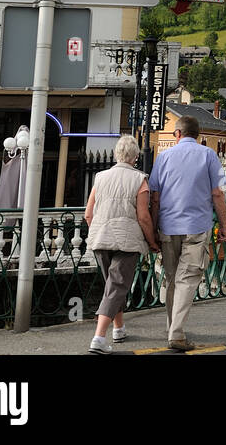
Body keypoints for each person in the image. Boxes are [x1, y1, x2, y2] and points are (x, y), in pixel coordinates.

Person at [149, 116, 226, 352]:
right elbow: (217, 194)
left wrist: (153, 229)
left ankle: (173, 326)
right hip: (196, 226)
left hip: (167, 226)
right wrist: (223, 225)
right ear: (199, 135)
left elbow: (155, 197)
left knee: (173, 278)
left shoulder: (163, 157)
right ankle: (176, 332)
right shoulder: (208, 155)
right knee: (188, 279)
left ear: (177, 134)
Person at [84, 134, 158, 355]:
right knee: (116, 287)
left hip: (100, 238)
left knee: (112, 286)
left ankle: (118, 328)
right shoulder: (139, 180)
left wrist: (98, 232)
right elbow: (144, 217)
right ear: (135, 157)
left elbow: (89, 214)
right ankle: (98, 337)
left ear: (117, 154)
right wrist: (152, 242)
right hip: (126, 241)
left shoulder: (100, 177)